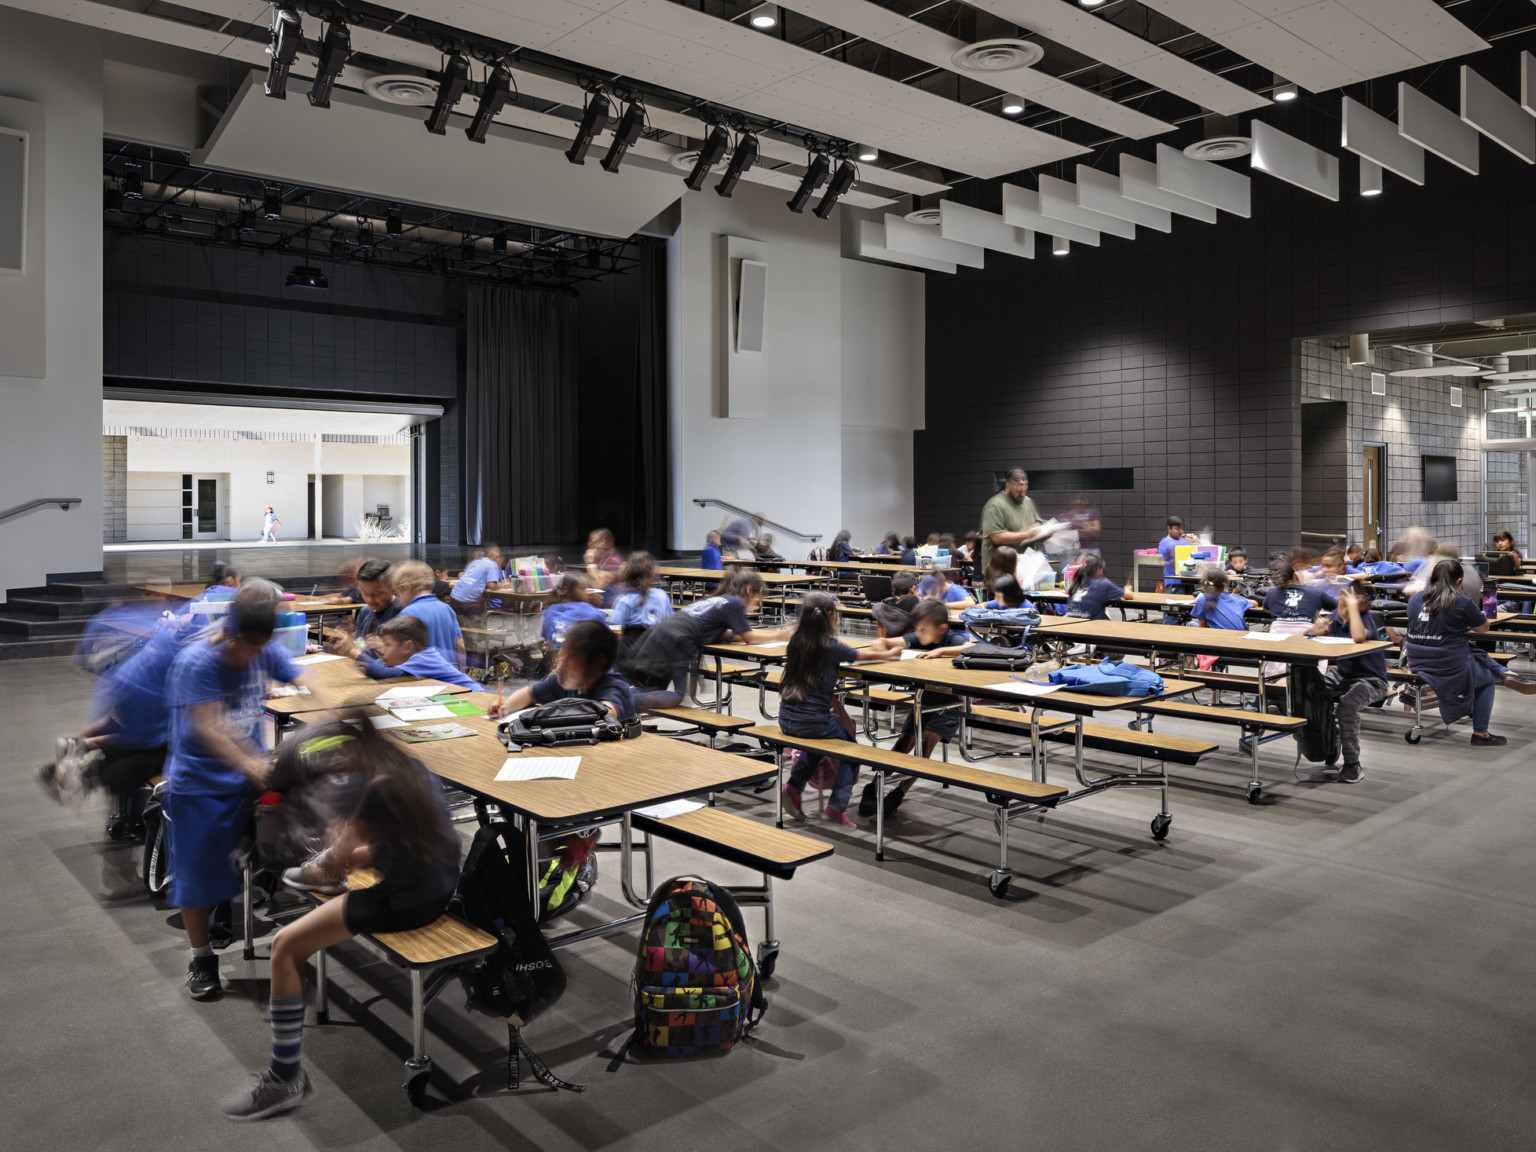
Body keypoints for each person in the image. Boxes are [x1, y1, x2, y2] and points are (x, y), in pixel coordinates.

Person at [222, 724, 459, 1119]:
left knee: (286, 945)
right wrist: (355, 851)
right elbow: (409, 842)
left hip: (405, 903)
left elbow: (334, 864)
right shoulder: (414, 770)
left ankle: (284, 1080)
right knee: (333, 873)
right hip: (441, 887)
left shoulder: (376, 790)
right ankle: (284, 1078)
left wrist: (323, 863)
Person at [165, 590, 305, 1000]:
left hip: (247, 777)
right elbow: (209, 727)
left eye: (259, 647)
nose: (251, 656)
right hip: (200, 785)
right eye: (245, 646)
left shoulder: (262, 648)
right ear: (227, 630)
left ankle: (275, 886)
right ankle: (201, 956)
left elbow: (300, 675)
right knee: (197, 880)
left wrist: (331, 712)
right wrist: (251, 765)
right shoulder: (195, 663)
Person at [857, 599, 973, 819]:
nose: (918, 633)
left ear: (941, 628)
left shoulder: (951, 639)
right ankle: (873, 786)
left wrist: (941, 652)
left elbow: (972, 647)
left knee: (924, 746)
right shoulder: (919, 638)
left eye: (923, 629)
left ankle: (900, 792)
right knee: (903, 743)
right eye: (917, 628)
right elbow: (882, 644)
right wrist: (888, 649)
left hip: (950, 704)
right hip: (924, 699)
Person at [1404, 559, 1536, 747]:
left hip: (1417, 661)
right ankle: (1480, 732)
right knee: (1486, 678)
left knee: (1470, 651)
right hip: (1448, 664)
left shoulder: (1415, 599)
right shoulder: (1461, 601)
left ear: (1432, 577)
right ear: (1458, 582)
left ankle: (1504, 672)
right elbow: (1483, 628)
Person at [624, 570, 791, 705]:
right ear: (748, 590)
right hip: (679, 639)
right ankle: (620, 701)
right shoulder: (736, 603)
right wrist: (779, 635)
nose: (758, 604)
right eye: (758, 598)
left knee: (655, 688)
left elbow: (730, 635)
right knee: (677, 695)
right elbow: (750, 638)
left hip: (664, 633)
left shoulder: (720, 599)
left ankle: (617, 694)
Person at [777, 593, 867, 828]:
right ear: (830, 617)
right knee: (850, 752)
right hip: (813, 722)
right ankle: (837, 807)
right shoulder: (831, 646)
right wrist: (892, 651)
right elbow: (865, 656)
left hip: (786, 719)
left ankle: (794, 787)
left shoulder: (796, 642)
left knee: (821, 743)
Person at [1305, 583, 1387, 783]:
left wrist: (1352, 609)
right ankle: (1329, 740)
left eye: (1356, 601)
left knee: (1346, 708)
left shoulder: (1366, 619)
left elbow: (1358, 637)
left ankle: (1352, 763)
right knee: (1310, 690)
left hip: (1372, 680)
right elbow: (1303, 639)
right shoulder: (1332, 619)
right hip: (1343, 675)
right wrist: (1312, 631)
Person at [488, 620, 638, 721]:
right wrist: (505, 707)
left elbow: (606, 713)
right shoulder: (562, 681)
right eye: (562, 655)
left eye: (571, 659)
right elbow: (529, 694)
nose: (561, 665)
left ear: (596, 665)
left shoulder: (615, 688)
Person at [334, 614, 476, 690]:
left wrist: (351, 651)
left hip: (478, 699)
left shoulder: (423, 659)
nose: (383, 651)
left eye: (387, 645)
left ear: (407, 646)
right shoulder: (421, 657)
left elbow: (384, 674)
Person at [390, 560, 465, 668]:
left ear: (405, 587)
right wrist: (461, 675)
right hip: (451, 675)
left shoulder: (407, 613)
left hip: (424, 678)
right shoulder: (446, 608)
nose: (398, 598)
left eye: (398, 593)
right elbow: (460, 646)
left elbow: (402, 654)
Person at [979, 468, 1052, 574]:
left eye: (1025, 489)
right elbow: (996, 537)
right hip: (1000, 570)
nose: (1022, 494)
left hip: (1025, 568)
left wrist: (1043, 533)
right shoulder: (995, 505)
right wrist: (1027, 534)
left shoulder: (1027, 501)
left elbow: (1037, 526)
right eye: (1018, 490)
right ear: (1007, 486)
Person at [330, 559, 398, 653]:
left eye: (377, 594)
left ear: (393, 588)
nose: (370, 599)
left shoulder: (402, 613)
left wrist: (385, 647)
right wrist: (346, 643)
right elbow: (359, 644)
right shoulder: (365, 612)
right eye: (365, 593)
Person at [610, 552, 673, 633]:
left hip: (632, 645)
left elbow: (616, 631)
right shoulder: (662, 596)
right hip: (657, 643)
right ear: (652, 574)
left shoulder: (624, 600)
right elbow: (669, 625)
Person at [542, 573, 608, 648]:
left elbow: (548, 638)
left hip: (556, 656)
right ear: (568, 591)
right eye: (583, 588)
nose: (586, 592)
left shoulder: (549, 611)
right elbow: (606, 637)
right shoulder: (593, 613)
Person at [1064, 554, 1132, 620]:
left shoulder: (1076, 583)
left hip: (1071, 622)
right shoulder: (1102, 583)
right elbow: (1128, 596)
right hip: (1091, 625)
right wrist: (1127, 588)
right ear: (1099, 570)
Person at [449, 545, 505, 620]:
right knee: (478, 622)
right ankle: (478, 628)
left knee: (463, 622)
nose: (500, 565)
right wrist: (504, 585)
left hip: (453, 597)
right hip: (468, 601)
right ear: (497, 556)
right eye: (501, 562)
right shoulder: (492, 564)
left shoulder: (475, 562)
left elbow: (464, 576)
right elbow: (491, 585)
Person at [1189, 571, 1254, 631]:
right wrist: (1242, 600)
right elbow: (1255, 603)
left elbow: (1203, 627)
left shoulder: (1202, 599)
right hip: (1241, 636)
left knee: (1190, 624)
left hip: (1220, 638)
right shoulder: (1235, 598)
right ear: (1225, 584)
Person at [584, 528, 623, 604]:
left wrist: (589, 563)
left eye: (592, 542)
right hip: (600, 600)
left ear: (603, 542)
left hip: (611, 602)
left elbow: (596, 585)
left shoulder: (614, 561)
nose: (589, 545)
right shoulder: (598, 558)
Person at [1158, 517, 1198, 589]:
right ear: (1169, 529)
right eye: (1177, 529)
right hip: (1174, 582)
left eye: (1182, 529)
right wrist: (1172, 561)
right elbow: (1161, 561)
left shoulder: (1185, 541)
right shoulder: (1164, 543)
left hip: (1189, 580)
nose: (1181, 531)